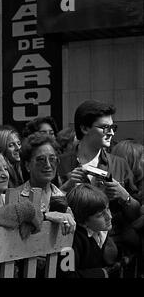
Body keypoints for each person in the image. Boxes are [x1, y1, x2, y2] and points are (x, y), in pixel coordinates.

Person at [58, 100, 140, 257]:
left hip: (114, 250)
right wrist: (66, 188)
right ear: (84, 128)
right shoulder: (60, 163)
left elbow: (136, 214)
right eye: (105, 127)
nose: (111, 133)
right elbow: (46, 207)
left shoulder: (119, 164)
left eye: (113, 127)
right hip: (73, 247)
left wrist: (125, 197)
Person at [14, 132, 76, 235]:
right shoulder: (16, 196)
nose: (48, 165)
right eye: (41, 160)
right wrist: (47, 215)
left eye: (52, 159)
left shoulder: (65, 197)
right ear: (28, 165)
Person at [60, 184, 124, 278]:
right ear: (83, 221)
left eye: (107, 209)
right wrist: (101, 273)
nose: (109, 216)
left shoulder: (100, 230)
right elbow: (66, 275)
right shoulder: (71, 240)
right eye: (100, 215)